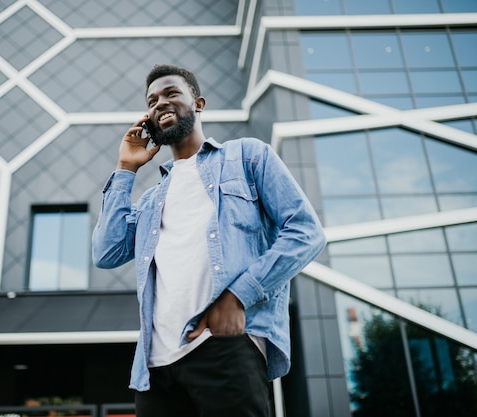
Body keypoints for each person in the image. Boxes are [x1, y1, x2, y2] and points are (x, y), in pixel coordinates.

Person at [92, 64, 326, 417]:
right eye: (152, 100)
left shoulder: (247, 157)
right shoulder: (151, 200)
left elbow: (307, 232)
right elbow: (106, 253)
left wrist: (238, 296)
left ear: (198, 104)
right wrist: (126, 169)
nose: (160, 103)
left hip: (224, 346)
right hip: (155, 368)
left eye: (172, 93)